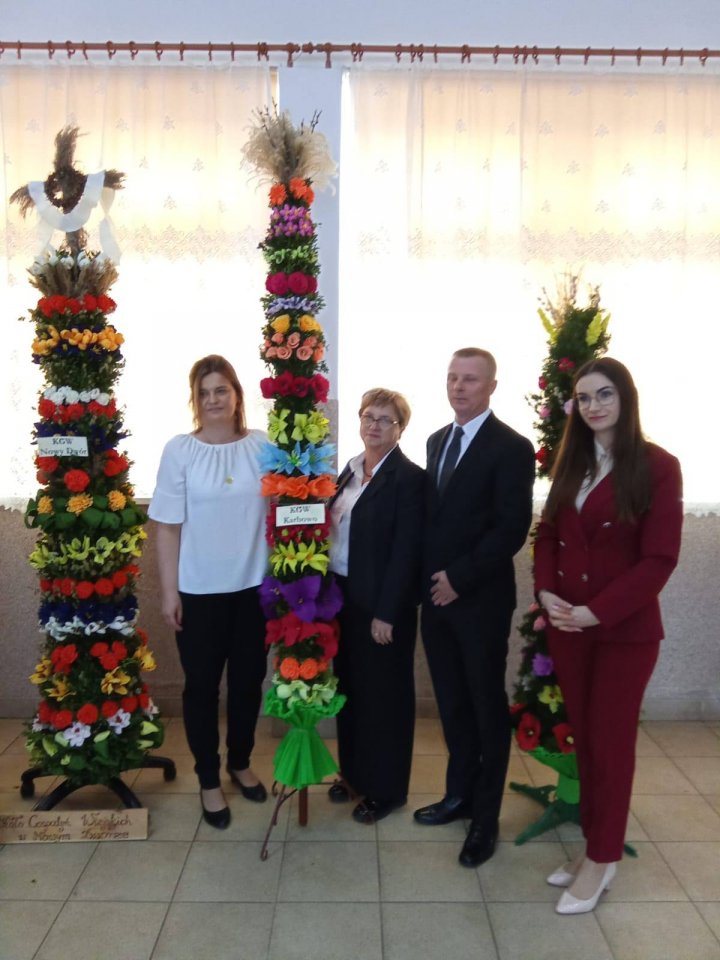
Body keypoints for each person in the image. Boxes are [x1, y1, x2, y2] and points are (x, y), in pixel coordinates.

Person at [534, 357, 682, 914]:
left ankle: (601, 859)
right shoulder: (572, 462)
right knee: (588, 742)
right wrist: (546, 592)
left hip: (623, 632)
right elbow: (547, 535)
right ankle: (597, 848)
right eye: (584, 397)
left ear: (625, 398)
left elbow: (659, 559)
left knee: (612, 746)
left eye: (604, 395)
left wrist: (596, 612)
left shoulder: (658, 466)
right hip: (569, 628)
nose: (593, 406)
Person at [414, 348, 535, 867]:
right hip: (436, 601)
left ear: (491, 387)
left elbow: (511, 528)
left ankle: (486, 819)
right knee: (452, 703)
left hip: (479, 600)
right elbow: (435, 520)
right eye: (452, 378)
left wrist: (458, 579)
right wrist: (430, 583)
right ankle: (458, 795)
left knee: (485, 708)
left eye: (469, 379)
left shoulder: (512, 447)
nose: (458, 387)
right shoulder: (436, 440)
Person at [149, 355, 269, 829]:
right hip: (198, 594)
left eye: (221, 390)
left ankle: (239, 761)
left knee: (247, 683)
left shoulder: (262, 445)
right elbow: (167, 527)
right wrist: (169, 592)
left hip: (253, 590)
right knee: (201, 688)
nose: (213, 399)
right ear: (194, 400)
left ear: (237, 394)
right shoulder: (180, 451)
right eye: (204, 392)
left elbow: (284, 507)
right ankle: (208, 779)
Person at [328, 388, 425, 823]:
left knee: (384, 698)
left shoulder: (409, 479)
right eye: (369, 416)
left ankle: (387, 790)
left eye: (386, 419)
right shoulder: (349, 472)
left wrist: (387, 612)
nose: (374, 425)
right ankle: (353, 774)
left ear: (400, 428)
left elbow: (407, 551)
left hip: (383, 606)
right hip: (343, 597)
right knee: (350, 690)